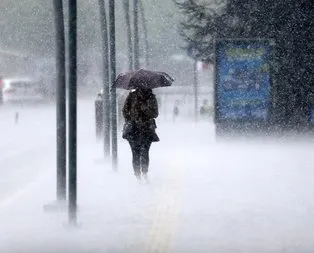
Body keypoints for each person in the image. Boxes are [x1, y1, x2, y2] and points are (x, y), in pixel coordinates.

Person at [122, 88, 159, 181]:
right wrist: (132, 119)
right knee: (136, 153)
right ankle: (138, 175)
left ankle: (144, 173)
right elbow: (125, 111)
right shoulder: (132, 96)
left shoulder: (151, 97)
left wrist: (145, 109)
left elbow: (155, 114)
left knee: (143, 152)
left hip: (145, 129)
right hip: (135, 129)